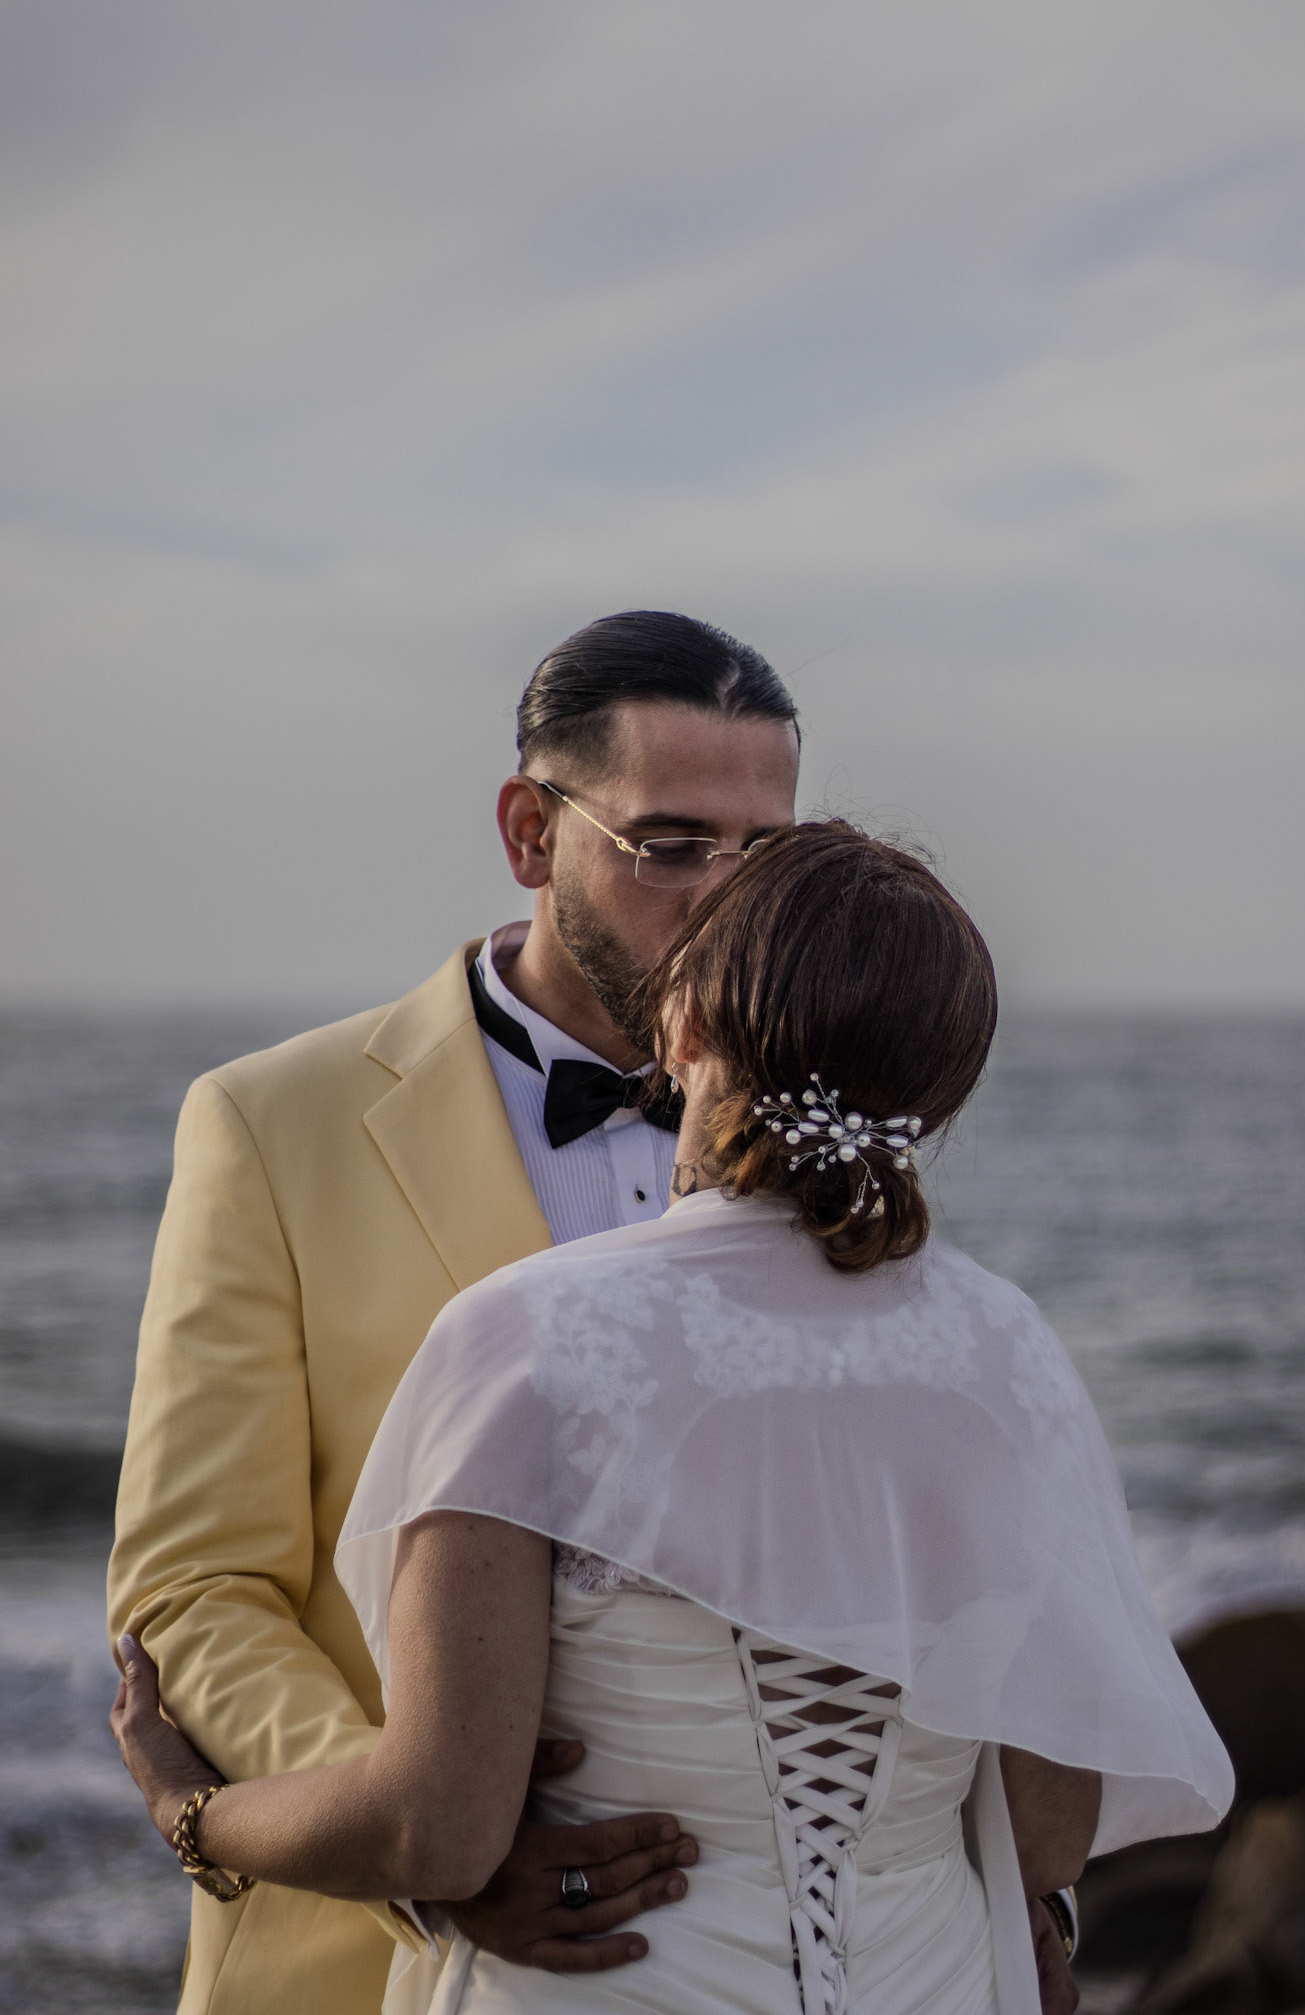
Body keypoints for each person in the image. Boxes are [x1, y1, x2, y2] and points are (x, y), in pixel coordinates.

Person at [112, 822, 1234, 2015]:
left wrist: (195, 1808)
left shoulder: (525, 1335)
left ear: (683, 1023)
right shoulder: (1011, 1354)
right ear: (933, 1091)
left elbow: (440, 1831)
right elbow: (1046, 1836)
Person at [107, 611, 805, 2015]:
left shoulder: (827, 1133)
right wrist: (421, 1840)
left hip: (748, 1949)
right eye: (672, 845)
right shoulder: (271, 1124)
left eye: (764, 854)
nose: (727, 902)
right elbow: (196, 1586)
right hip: (360, 1961)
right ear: (531, 835)